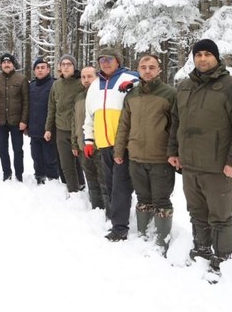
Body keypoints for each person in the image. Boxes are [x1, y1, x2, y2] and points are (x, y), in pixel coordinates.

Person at [168, 39, 232, 274]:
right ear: (193, 58)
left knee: (220, 216)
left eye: (208, 54)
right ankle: (202, 249)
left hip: (218, 167)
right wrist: (173, 152)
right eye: (198, 55)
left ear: (216, 57)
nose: (203, 59)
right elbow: (176, 122)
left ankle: (222, 258)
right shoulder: (184, 86)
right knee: (196, 212)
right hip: (189, 165)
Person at [114, 54, 176, 253]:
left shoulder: (169, 94)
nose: (147, 70)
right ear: (138, 70)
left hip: (161, 158)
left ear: (159, 70)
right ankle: (142, 236)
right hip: (136, 157)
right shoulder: (131, 95)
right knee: (142, 199)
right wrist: (119, 149)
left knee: (161, 201)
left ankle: (161, 242)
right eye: (143, 67)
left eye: (152, 67)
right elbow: (124, 125)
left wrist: (175, 152)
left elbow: (177, 127)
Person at [83, 46, 138, 241]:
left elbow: (144, 89)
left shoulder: (130, 78)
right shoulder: (94, 84)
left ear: (118, 61)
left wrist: (134, 84)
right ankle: (118, 219)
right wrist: (89, 140)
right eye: (102, 59)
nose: (105, 62)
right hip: (103, 144)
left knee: (121, 185)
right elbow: (89, 116)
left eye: (109, 59)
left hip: (123, 143)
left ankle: (120, 228)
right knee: (111, 184)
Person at [44, 54, 85, 193]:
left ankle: (85, 187)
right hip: (61, 129)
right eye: (63, 64)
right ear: (60, 67)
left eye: (69, 64)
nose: (66, 66)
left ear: (74, 66)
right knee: (66, 164)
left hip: (80, 130)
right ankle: (73, 191)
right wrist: (48, 129)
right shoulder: (56, 85)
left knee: (84, 163)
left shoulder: (81, 82)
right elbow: (51, 108)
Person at [0, 53, 28, 182]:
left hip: (16, 121)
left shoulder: (21, 79)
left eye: (9, 62)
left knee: (18, 149)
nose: (6, 65)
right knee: (2, 149)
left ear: (13, 64)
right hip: (0, 121)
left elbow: (26, 102)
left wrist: (24, 120)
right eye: (4, 63)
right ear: (1, 65)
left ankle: (19, 173)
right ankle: (7, 172)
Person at [72, 66, 106, 210]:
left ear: (97, 77)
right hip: (83, 146)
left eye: (90, 76)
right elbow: (74, 122)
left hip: (100, 147)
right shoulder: (79, 97)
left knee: (104, 180)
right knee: (91, 180)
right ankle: (96, 208)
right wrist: (74, 143)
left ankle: (108, 212)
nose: (86, 80)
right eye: (84, 77)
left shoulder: (103, 94)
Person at [28, 57, 58, 184]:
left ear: (48, 70)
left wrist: (50, 127)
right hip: (34, 128)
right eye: (37, 68)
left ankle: (52, 179)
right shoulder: (31, 86)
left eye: (42, 68)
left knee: (50, 156)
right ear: (34, 71)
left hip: (49, 129)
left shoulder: (54, 84)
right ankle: (39, 176)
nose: (40, 70)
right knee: (36, 156)